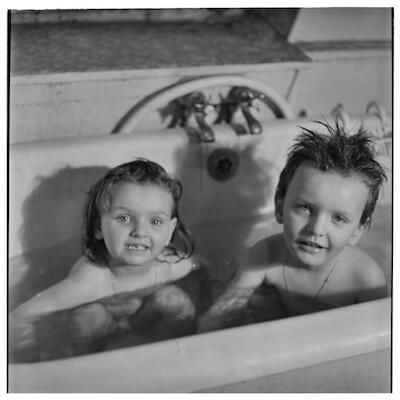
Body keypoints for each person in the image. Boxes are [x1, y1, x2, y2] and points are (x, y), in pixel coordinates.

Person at [199, 120, 388, 332]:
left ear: (357, 231)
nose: (316, 229)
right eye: (305, 208)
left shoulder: (365, 279)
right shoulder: (266, 256)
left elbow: (381, 339)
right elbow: (217, 319)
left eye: (339, 218)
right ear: (280, 208)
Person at [10, 158, 205, 360]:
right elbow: (29, 311)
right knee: (88, 317)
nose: (140, 231)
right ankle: (86, 365)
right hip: (100, 326)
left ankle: (183, 356)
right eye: (124, 218)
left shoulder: (173, 265)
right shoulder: (91, 279)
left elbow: (203, 269)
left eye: (155, 221)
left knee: (173, 300)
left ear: (169, 232)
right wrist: (21, 340)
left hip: (145, 317)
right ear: (97, 227)